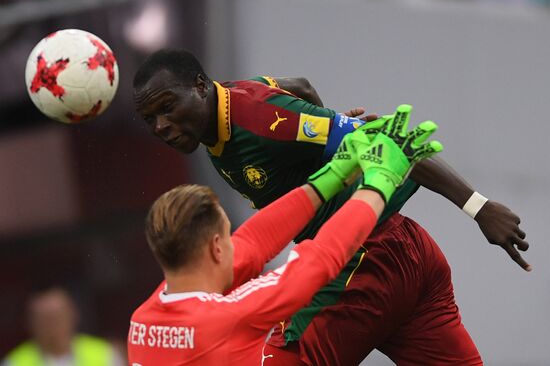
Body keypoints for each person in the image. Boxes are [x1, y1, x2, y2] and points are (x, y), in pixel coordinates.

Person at [132, 49, 529, 365]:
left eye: (167, 107)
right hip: (408, 250)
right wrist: (327, 138)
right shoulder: (226, 108)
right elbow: (298, 85)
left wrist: (479, 207)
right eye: (149, 119)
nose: (161, 126)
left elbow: (389, 142)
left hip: (361, 263)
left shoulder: (259, 117)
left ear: (201, 86)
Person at [127, 111, 441, 365]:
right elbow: (319, 259)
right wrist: (380, 184)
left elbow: (253, 243)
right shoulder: (227, 319)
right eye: (227, 234)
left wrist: (332, 175)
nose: (236, 240)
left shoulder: (143, 321)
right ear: (215, 248)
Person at [2, 287, 123, 366]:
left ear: (74, 315)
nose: (51, 326)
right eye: (44, 320)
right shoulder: (14, 363)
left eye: (57, 317)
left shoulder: (105, 354)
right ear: (30, 323)